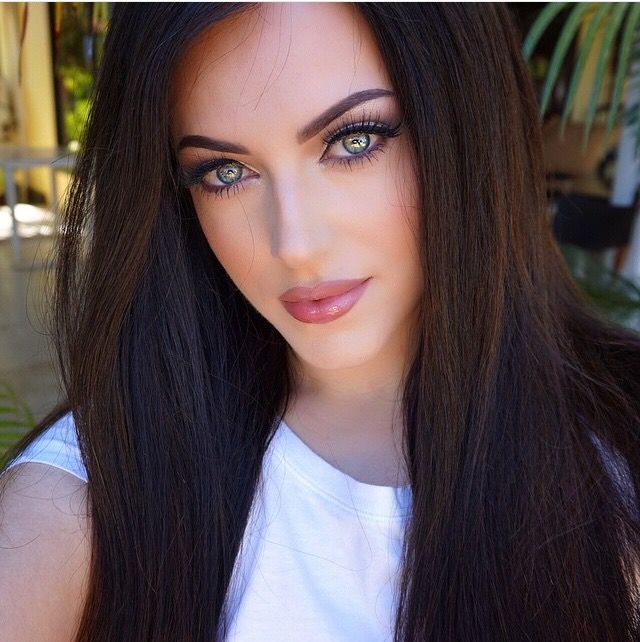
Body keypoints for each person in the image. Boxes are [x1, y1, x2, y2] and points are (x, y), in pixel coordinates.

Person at [1, 3, 639, 640]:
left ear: (467, 118)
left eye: (354, 140)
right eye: (225, 172)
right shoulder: (90, 493)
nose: (295, 244)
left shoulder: (616, 456)